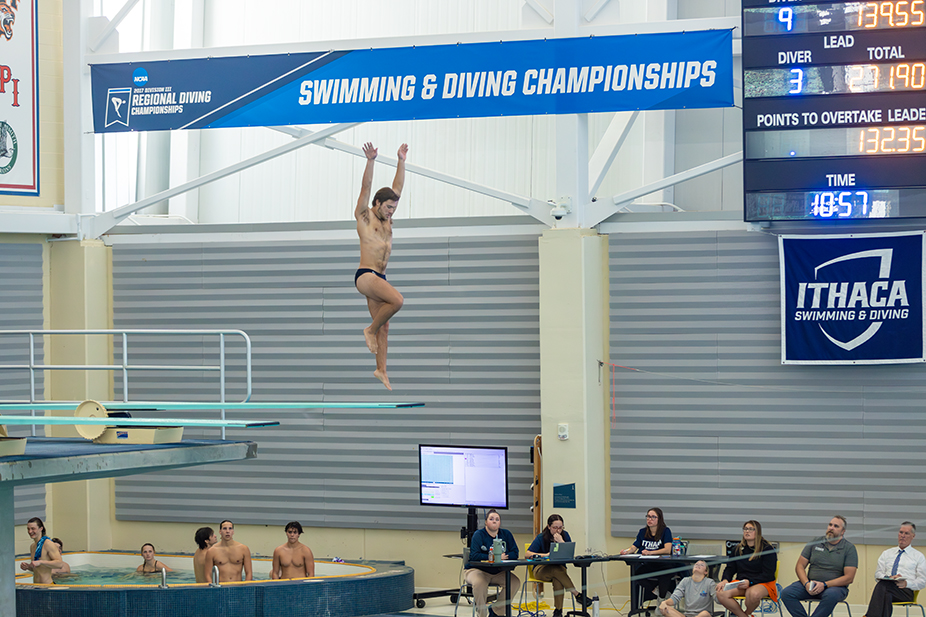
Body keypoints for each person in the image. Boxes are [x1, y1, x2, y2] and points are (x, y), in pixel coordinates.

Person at [354, 141, 408, 391]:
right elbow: (365, 187)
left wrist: (401, 161)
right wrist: (371, 160)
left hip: (380, 278)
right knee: (397, 301)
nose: (390, 212)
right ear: (376, 203)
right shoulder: (364, 217)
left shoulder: (388, 219)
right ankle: (369, 330)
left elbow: (396, 188)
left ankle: (381, 369)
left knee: (385, 326)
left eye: (393, 208)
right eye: (387, 207)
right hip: (366, 275)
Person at [781, 516, 858, 617]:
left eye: (836, 526)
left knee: (831, 595)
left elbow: (849, 578)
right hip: (811, 584)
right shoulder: (815, 542)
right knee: (786, 593)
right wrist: (806, 583)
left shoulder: (849, 548)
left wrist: (824, 584)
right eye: (830, 525)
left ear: (843, 531)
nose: (831, 528)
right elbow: (800, 565)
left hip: (834, 588)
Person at [525, 514, 593, 617]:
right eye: (554, 528)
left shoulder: (565, 535)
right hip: (541, 569)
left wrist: (561, 542)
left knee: (558, 578)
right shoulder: (541, 537)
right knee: (556, 571)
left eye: (560, 528)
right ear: (549, 527)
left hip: (559, 568)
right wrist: (546, 555)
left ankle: (558, 611)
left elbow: (569, 555)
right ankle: (576, 594)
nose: (558, 530)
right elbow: (527, 554)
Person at [464, 509, 521, 617]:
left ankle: (496, 611)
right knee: (479, 583)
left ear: (500, 522)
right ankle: (482, 614)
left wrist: (504, 558)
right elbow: (474, 556)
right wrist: (494, 557)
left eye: (497, 519)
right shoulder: (479, 535)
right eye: (491, 519)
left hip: (498, 571)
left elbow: (515, 552)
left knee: (514, 582)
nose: (494, 521)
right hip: (477, 570)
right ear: (486, 522)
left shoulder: (506, 534)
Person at [716, 520, 778, 617]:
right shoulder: (737, 549)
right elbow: (730, 568)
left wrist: (750, 582)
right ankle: (743, 616)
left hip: (762, 583)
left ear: (757, 532)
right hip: (741, 582)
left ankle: (747, 613)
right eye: (745, 529)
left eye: (750, 529)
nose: (747, 531)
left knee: (752, 594)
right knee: (720, 593)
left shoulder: (767, 549)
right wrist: (725, 580)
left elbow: (768, 574)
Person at [863, 522, 926, 617]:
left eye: (906, 533)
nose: (903, 536)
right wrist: (889, 577)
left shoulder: (918, 556)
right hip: (887, 588)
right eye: (901, 532)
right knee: (886, 592)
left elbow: (922, 581)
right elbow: (878, 574)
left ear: (913, 536)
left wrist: (906, 583)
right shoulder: (887, 553)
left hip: (905, 591)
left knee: (883, 586)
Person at [620, 507, 675, 601]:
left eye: (653, 517)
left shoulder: (666, 531)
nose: (650, 519)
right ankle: (655, 591)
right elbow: (634, 546)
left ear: (659, 519)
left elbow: (667, 549)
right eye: (648, 516)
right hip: (649, 564)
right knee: (636, 574)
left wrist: (650, 552)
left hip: (663, 564)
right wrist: (627, 551)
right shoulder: (642, 532)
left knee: (665, 575)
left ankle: (662, 600)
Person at [18, 517, 65, 584]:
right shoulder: (32, 546)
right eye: (28, 529)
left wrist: (41, 562)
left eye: (33, 529)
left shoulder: (48, 544)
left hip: (47, 586)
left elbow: (60, 564)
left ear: (41, 528)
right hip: (36, 586)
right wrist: (28, 567)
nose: (30, 531)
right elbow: (39, 569)